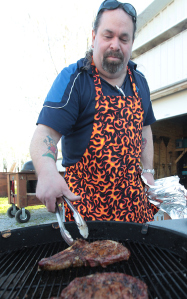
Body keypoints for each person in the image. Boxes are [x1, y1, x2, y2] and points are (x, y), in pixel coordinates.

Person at [30, 0, 158, 223]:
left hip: (134, 210)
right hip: (87, 214)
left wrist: (148, 172)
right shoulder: (74, 80)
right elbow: (44, 134)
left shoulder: (140, 82)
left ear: (132, 42)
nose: (115, 45)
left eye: (123, 38)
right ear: (94, 36)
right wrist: (47, 170)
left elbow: (144, 129)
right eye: (108, 36)